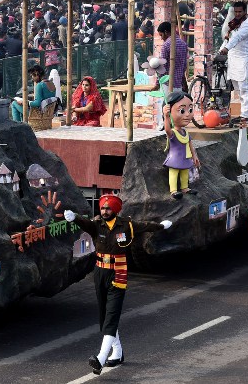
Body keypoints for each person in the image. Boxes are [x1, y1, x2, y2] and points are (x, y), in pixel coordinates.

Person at [63, 194, 172, 375]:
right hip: (100, 271)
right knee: (104, 315)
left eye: (108, 208)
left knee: (112, 314)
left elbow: (145, 226)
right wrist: (74, 217)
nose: (104, 211)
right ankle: (118, 352)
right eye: (102, 208)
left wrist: (161, 226)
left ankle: (101, 358)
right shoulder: (97, 224)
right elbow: (85, 223)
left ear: (115, 210)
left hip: (119, 271)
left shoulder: (126, 225)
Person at [219, 1, 248, 124]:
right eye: (236, 12)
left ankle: (247, 115)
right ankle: (244, 114)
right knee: (239, 91)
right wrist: (220, 50)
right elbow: (228, 37)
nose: (238, 14)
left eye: (240, 11)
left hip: (243, 61)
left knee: (245, 89)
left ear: (245, 11)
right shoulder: (234, 23)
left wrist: (226, 48)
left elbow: (237, 37)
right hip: (233, 62)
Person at [162, 90, 200, 199]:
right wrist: (166, 117)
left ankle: (185, 187)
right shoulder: (173, 133)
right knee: (173, 173)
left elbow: (190, 145)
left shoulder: (185, 132)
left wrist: (195, 156)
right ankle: (173, 190)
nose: (188, 114)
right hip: (175, 158)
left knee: (184, 172)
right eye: (182, 110)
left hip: (186, 158)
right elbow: (167, 129)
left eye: (190, 109)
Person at [157, 21, 188, 92]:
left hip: (167, 84)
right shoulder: (183, 44)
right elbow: (184, 66)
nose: (161, 38)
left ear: (166, 32)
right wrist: (184, 82)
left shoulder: (166, 45)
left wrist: (157, 83)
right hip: (179, 84)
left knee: (166, 103)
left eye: (161, 35)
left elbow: (162, 66)